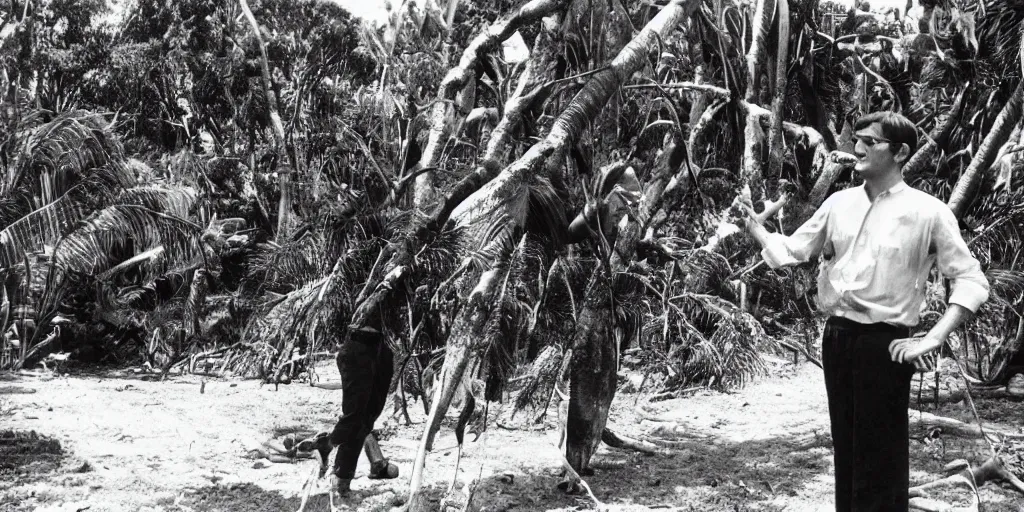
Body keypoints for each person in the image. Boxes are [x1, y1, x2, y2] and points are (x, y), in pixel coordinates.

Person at [740, 111, 990, 511]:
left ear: (901, 152)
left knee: (881, 454)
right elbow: (794, 251)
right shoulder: (839, 204)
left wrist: (933, 337)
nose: (857, 149)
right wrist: (755, 228)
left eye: (870, 142)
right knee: (848, 448)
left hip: (886, 344)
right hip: (837, 337)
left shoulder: (929, 212)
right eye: (857, 139)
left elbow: (972, 280)